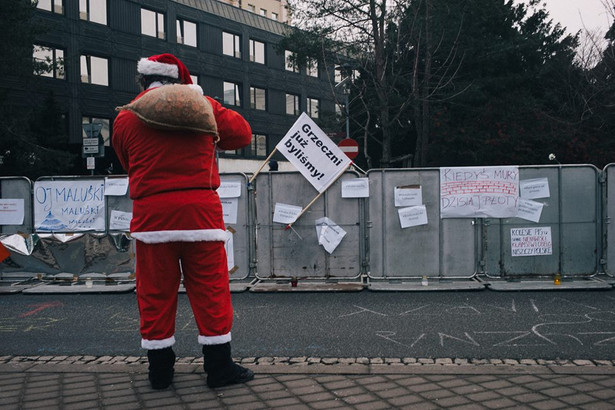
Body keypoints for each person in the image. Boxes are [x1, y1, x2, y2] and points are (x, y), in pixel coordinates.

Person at [112, 53, 254, 390]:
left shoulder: (127, 117)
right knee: (211, 291)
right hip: (200, 216)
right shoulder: (200, 105)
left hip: (152, 220)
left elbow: (126, 162)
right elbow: (244, 134)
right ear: (180, 81)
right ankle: (219, 368)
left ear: (144, 82)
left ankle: (160, 371)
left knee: (155, 294)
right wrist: (206, 103)